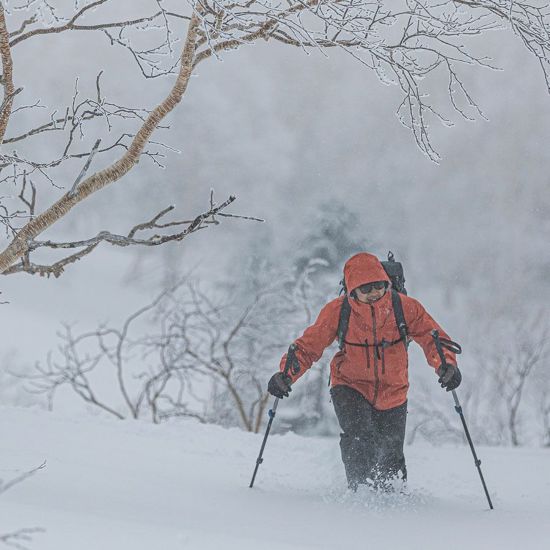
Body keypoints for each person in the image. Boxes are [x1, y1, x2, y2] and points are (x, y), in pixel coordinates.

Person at [267, 252, 461, 492]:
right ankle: (359, 493)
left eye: (379, 286)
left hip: (394, 390)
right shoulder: (338, 311)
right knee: (360, 437)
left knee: (391, 452)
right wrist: (286, 374)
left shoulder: (405, 308)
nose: (374, 293)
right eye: (366, 288)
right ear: (351, 290)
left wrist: (446, 365)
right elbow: (309, 345)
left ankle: (393, 498)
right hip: (350, 385)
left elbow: (434, 338)